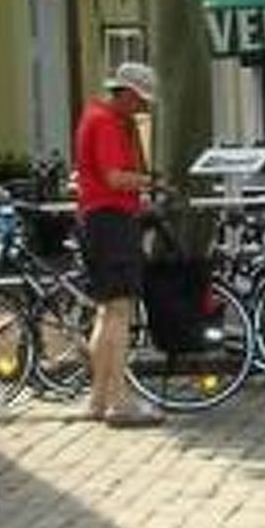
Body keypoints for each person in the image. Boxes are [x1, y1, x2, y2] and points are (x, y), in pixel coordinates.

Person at [73, 61, 165, 426]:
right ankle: (118, 400)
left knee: (106, 311)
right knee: (120, 312)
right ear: (125, 93)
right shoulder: (107, 123)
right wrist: (151, 182)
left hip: (98, 220)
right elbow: (114, 177)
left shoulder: (94, 116)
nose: (142, 108)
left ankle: (97, 399)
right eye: (140, 100)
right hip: (111, 220)